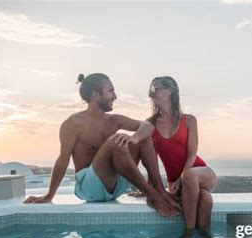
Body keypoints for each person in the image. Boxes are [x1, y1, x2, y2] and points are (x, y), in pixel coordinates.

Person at [24, 73, 179, 217]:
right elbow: (63, 159)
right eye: (110, 91)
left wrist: (135, 138)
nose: (115, 96)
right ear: (96, 95)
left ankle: (158, 190)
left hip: (115, 186)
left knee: (144, 137)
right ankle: (154, 197)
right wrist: (49, 195)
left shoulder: (113, 120)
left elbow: (148, 126)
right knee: (115, 141)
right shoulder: (74, 123)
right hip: (90, 188)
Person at [144, 76, 218, 238]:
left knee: (190, 175)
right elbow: (151, 160)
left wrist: (182, 177)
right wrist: (150, 187)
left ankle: (189, 230)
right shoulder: (150, 124)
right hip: (177, 182)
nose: (152, 93)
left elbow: (192, 153)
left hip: (201, 173)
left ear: (170, 91)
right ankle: (205, 236)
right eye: (151, 90)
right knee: (206, 199)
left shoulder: (189, 120)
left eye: (156, 89)